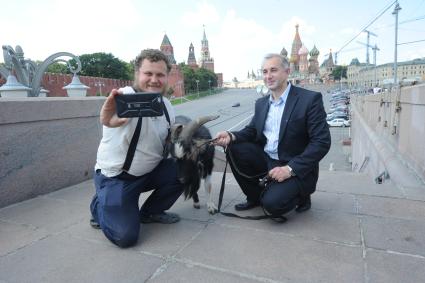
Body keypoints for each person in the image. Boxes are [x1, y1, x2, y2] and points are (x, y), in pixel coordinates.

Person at [215, 53, 331, 221]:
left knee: (272, 205)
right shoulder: (261, 104)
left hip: (295, 166)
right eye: (264, 72)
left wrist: (289, 170)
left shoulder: (309, 100)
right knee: (234, 147)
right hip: (269, 159)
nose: (268, 76)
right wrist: (230, 135)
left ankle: (302, 195)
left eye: (273, 70)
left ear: (287, 71)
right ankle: (255, 197)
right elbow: (252, 131)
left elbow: (321, 142)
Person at [90, 49, 183, 248]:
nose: (154, 80)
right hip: (117, 178)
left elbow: (165, 138)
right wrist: (108, 120)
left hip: (148, 173)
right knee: (125, 237)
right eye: (148, 74)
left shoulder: (166, 105)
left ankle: (150, 212)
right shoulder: (125, 97)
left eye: (160, 75)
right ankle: (100, 204)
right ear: (137, 74)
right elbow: (110, 115)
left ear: (167, 77)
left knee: (187, 168)